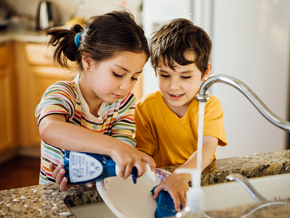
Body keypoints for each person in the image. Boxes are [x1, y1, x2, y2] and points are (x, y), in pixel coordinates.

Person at [35, 10, 155, 191]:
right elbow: (50, 129)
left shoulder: (123, 103)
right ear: (88, 61)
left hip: (97, 194)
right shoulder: (63, 94)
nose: (126, 86)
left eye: (134, 77)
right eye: (118, 74)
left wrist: (103, 168)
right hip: (55, 195)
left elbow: (119, 158)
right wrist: (114, 148)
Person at [134, 18, 227, 211]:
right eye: (165, 75)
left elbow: (207, 147)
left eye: (185, 76)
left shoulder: (209, 106)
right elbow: (144, 154)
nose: (174, 86)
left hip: (198, 184)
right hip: (162, 188)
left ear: (205, 72)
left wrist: (181, 176)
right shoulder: (146, 107)